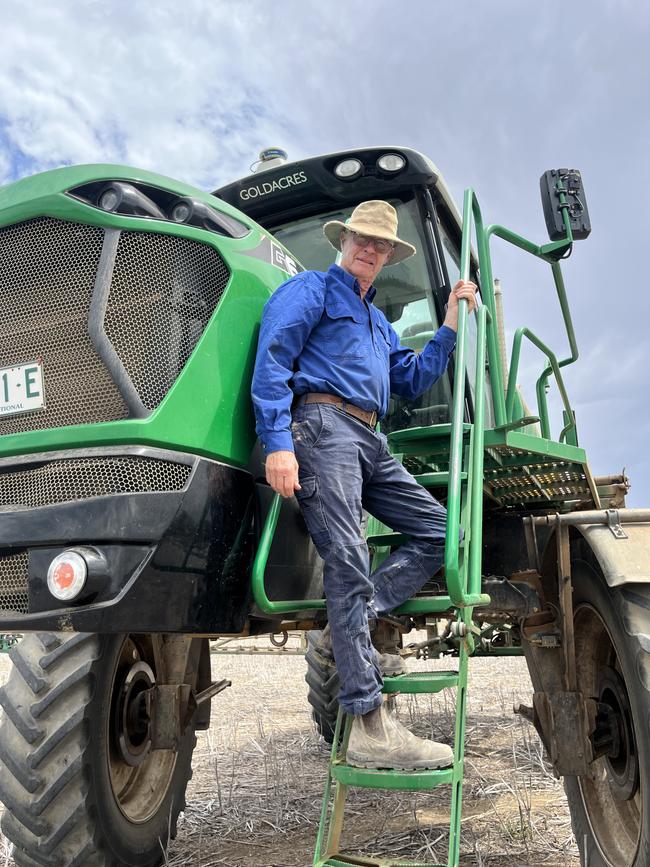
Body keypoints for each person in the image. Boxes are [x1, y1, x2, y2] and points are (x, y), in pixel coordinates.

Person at [252, 200, 477, 770]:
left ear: (387, 257)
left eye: (380, 246)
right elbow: (273, 359)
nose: (370, 250)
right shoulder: (310, 292)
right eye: (362, 240)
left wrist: (450, 321)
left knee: (438, 532)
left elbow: (415, 376)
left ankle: (350, 617)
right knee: (348, 556)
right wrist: (278, 442)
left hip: (372, 438)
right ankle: (369, 724)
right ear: (344, 241)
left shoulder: (379, 323)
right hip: (322, 426)